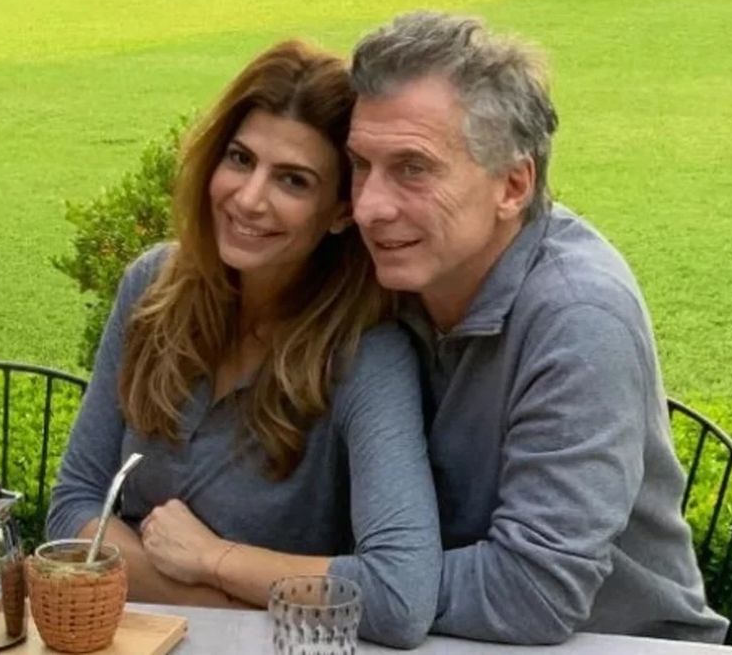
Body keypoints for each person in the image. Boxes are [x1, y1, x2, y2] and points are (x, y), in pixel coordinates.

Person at [346, 11, 730, 644]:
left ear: (513, 185)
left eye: (413, 168)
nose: (368, 207)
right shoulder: (393, 275)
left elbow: (531, 593)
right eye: (361, 164)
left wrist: (289, 578)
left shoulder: (580, 317)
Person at [46, 40, 440, 648]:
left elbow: (399, 595)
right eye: (240, 158)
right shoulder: (151, 288)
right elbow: (74, 510)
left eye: (293, 180)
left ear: (341, 212)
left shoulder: (366, 355)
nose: (250, 199)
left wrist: (214, 559)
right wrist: (215, 603)